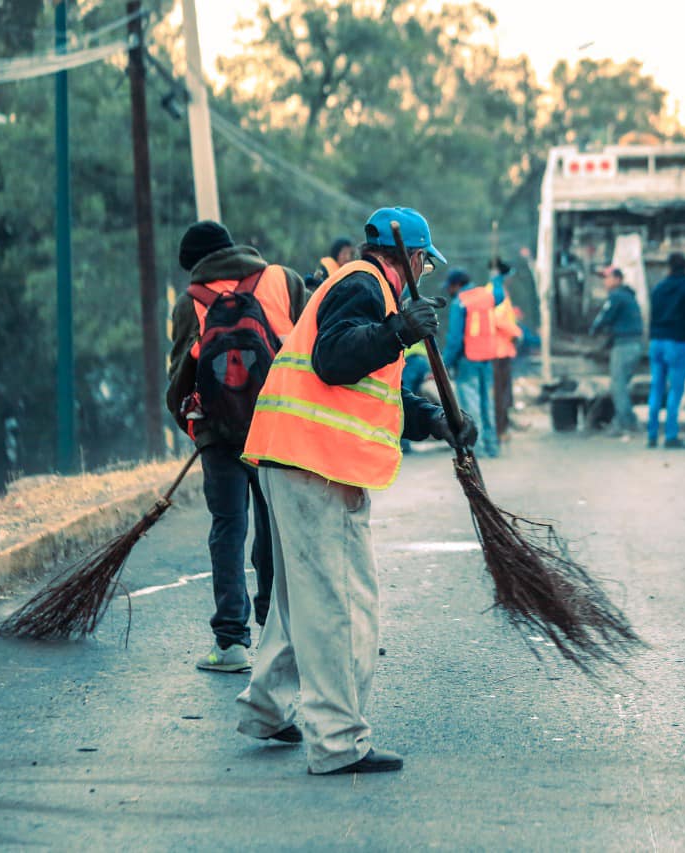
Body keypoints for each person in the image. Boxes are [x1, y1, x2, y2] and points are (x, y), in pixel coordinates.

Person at [235, 206, 476, 775]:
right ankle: (338, 741)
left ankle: (266, 711)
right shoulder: (364, 285)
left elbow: (369, 392)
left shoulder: (366, 292)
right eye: (424, 262)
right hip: (315, 467)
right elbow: (335, 360)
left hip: (292, 456)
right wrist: (399, 332)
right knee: (341, 607)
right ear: (412, 258)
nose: (424, 270)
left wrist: (435, 419)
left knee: (302, 605)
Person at [165, 220, 309, 673]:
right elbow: (313, 349)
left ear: (194, 265)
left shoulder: (190, 302)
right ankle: (276, 631)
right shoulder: (283, 280)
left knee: (228, 528)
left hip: (219, 435)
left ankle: (230, 643)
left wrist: (199, 430)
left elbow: (178, 383)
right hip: (275, 425)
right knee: (273, 526)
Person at [442, 266, 505, 458]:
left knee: (471, 406)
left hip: (467, 359)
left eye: (450, 287)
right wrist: (496, 278)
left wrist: (444, 364)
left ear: (457, 285)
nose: (449, 291)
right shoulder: (486, 296)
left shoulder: (459, 303)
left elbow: (455, 339)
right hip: (487, 359)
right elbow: (500, 296)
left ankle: (474, 450)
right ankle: (491, 447)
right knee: (488, 404)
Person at [646, 252, 685, 449]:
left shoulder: (658, 289)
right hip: (676, 343)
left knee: (656, 388)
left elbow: (652, 315)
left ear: (669, 267)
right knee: (675, 391)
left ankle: (652, 435)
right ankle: (671, 436)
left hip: (656, 343)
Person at [589, 266, 644, 434]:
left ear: (618, 279)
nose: (605, 282)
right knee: (621, 386)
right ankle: (627, 419)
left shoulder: (616, 296)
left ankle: (625, 423)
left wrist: (593, 330)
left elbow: (605, 318)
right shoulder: (628, 296)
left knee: (618, 386)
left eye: (608, 277)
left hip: (624, 346)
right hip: (633, 345)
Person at [488, 258, 522, 441]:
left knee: (504, 394)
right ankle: (499, 430)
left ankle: (503, 427)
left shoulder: (501, 291)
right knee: (499, 395)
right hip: (497, 351)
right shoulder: (494, 292)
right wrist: (517, 333)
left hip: (504, 350)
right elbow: (498, 320)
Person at [399, 338, 430, 453]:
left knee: (402, 401)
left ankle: (404, 444)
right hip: (422, 360)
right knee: (411, 400)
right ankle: (406, 442)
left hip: (409, 361)